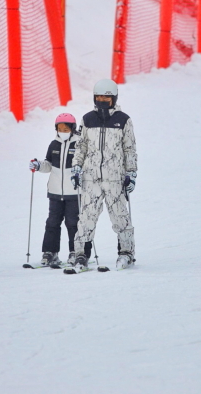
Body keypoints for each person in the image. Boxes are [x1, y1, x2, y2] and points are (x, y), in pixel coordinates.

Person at [69, 79, 138, 270]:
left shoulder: (123, 120)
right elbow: (81, 146)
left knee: (120, 217)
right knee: (86, 218)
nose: (102, 100)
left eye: (106, 97)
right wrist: (76, 168)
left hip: (115, 178)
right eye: (99, 97)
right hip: (91, 178)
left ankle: (126, 252)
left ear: (113, 98)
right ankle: (81, 254)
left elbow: (129, 149)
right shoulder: (88, 119)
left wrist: (131, 174)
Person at [28, 113, 90, 267]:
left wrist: (81, 174)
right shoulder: (54, 144)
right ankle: (50, 252)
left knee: (73, 223)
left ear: (73, 128)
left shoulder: (80, 144)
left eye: (65, 128)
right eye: (59, 128)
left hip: (74, 192)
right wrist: (38, 165)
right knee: (52, 222)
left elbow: (86, 165)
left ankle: (75, 252)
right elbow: (49, 164)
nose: (62, 131)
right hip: (55, 191)